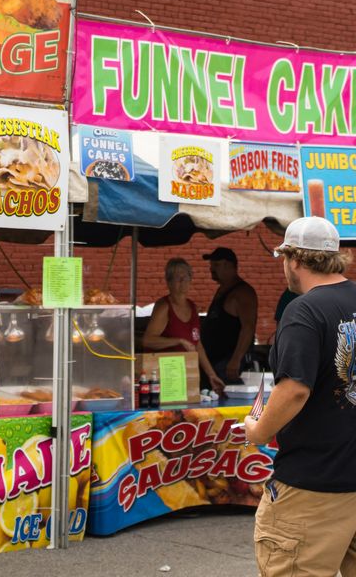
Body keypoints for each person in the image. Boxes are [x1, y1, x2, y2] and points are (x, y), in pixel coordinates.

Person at [244, 216, 356, 576]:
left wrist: (257, 431)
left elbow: (294, 389)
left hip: (314, 486)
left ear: (294, 259)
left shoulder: (304, 310)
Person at [143, 258, 226, 394]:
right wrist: (178, 340)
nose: (182, 281)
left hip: (184, 376)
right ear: (169, 282)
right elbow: (148, 340)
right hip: (162, 378)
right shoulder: (164, 306)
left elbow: (197, 344)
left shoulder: (193, 307)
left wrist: (212, 374)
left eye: (185, 277)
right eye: (177, 278)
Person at [200, 247, 258, 384]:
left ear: (229, 266)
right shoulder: (222, 290)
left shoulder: (243, 293)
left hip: (228, 364)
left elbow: (248, 328)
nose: (212, 269)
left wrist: (236, 360)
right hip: (214, 361)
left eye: (216, 265)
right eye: (211, 265)